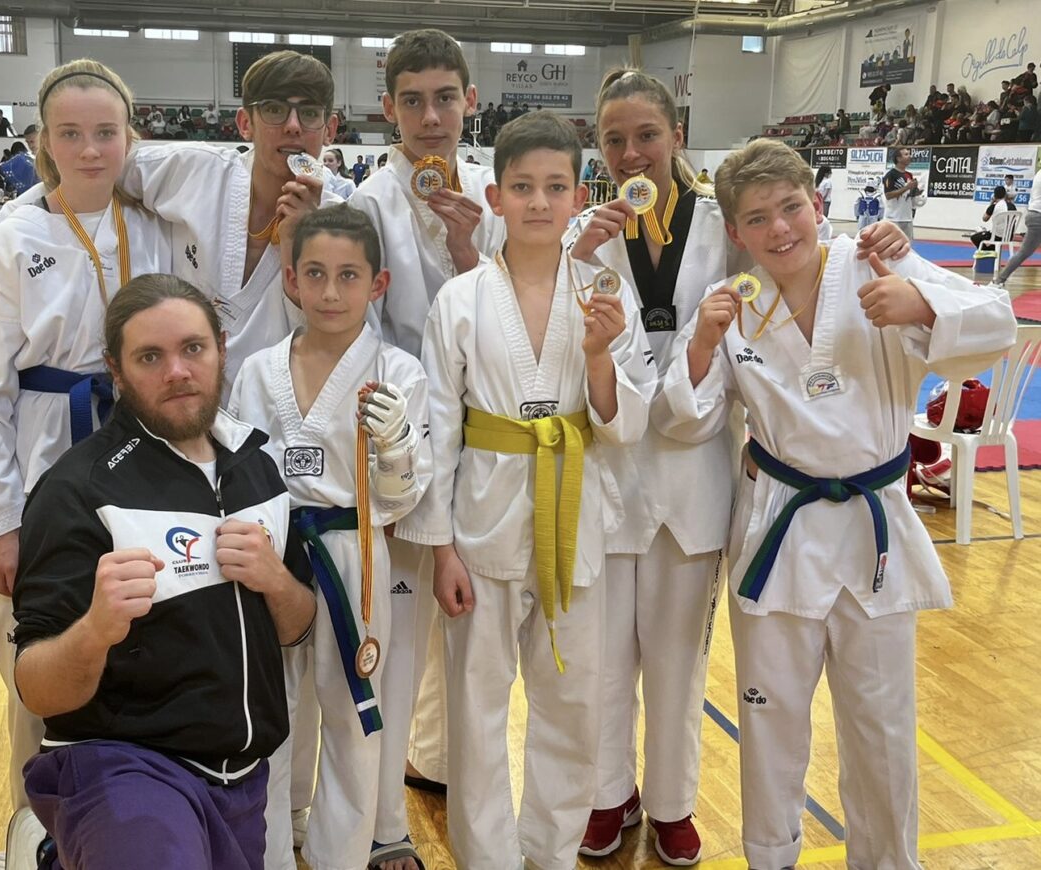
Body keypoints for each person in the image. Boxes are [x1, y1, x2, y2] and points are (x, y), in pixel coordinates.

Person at [565, 67, 909, 865]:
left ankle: (676, 800)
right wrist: (572, 263)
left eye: (646, 134)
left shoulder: (729, 224)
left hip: (695, 465)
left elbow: (803, 268)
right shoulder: (590, 232)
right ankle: (606, 793)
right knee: (604, 653)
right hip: (609, 467)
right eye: (613, 139)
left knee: (680, 653)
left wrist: (880, 242)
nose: (631, 153)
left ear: (677, 134)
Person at [656, 137, 1016, 870]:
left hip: (872, 530)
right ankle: (771, 857)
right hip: (777, 532)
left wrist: (920, 303)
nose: (780, 229)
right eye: (757, 219)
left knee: (882, 725)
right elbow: (683, 419)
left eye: (792, 207)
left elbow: (997, 325)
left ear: (817, 204)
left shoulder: (873, 262)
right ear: (736, 233)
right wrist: (700, 343)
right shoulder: (733, 305)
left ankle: (888, 862)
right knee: (771, 720)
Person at [404, 110, 653, 870]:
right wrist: (440, 545)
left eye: (555, 187)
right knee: (477, 712)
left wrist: (602, 357)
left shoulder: (607, 292)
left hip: (576, 518)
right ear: (496, 196)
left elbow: (628, 422)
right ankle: (488, 859)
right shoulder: (461, 300)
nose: (539, 202)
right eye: (523, 187)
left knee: (574, 708)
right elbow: (439, 428)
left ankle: (548, 852)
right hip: (480, 526)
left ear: (580, 197)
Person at [0, 58, 173, 862]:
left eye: (106, 132)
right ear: (43, 140)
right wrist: (0, 524)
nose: (90, 149)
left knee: (136, 636)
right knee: (34, 647)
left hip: (141, 447)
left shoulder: (152, 223)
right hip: (48, 451)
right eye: (70, 133)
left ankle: (128, 812)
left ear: (130, 136)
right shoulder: (6, 241)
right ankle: (33, 826)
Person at [12, 273, 317, 869]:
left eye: (193, 349)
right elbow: (35, 686)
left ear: (222, 348)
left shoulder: (257, 467)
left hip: (243, 780)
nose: (177, 370)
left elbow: (298, 629)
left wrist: (275, 580)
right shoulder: (78, 489)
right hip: (122, 766)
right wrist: (95, 629)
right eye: (150, 356)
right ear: (116, 371)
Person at [0, 50, 343, 397]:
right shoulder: (191, 172)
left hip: (271, 409)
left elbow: (336, 333)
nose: (292, 125)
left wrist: (303, 243)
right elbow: (78, 179)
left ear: (330, 129)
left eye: (308, 113)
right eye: (274, 108)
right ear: (244, 123)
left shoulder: (343, 219)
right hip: (172, 404)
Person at [229, 205, 432, 870]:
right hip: (272, 554)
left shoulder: (398, 373)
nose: (330, 292)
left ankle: (342, 852)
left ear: (379, 283)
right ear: (290, 279)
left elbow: (404, 500)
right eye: (314, 274)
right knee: (271, 703)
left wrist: (397, 442)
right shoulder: (258, 370)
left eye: (349, 276)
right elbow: (232, 474)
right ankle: (270, 845)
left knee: (351, 710)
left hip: (357, 553)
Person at [347, 29, 506, 870]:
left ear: (470, 101)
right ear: (388, 110)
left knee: (473, 642)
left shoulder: (499, 190)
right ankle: (384, 825)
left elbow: (523, 319)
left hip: (495, 446)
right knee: (398, 649)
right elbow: (360, 333)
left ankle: (444, 776)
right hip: (404, 445)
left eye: (446, 96)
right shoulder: (367, 203)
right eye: (413, 100)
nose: (431, 114)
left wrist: (472, 252)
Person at [992, 166, 1041, 287]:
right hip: (1038, 217)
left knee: (1023, 253)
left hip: (1035, 215)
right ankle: (999, 281)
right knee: (1023, 252)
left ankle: (999, 281)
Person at [883, 146, 926, 239]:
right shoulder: (890, 175)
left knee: (907, 247)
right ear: (898, 158)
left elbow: (909, 195)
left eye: (909, 154)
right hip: (893, 218)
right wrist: (907, 187)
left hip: (907, 217)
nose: (909, 156)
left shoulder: (909, 175)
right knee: (892, 245)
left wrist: (916, 190)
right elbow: (888, 195)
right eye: (906, 154)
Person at [969, 184, 1017, 249]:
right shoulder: (1012, 206)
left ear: (994, 196)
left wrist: (991, 203)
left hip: (996, 236)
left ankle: (987, 252)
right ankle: (991, 249)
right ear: (1005, 195)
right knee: (988, 235)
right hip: (1009, 236)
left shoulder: (994, 206)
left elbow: (984, 219)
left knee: (974, 237)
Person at [0, 127, 41, 196]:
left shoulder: (52, 156)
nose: (30, 146)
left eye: (32, 141)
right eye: (27, 142)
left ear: (41, 138)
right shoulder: (28, 160)